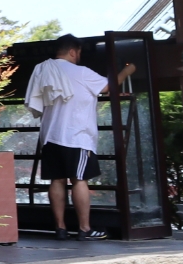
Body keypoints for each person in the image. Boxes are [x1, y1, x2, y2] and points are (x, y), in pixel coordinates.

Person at [25, 33, 137, 241]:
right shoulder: (81, 72)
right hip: (76, 137)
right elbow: (108, 87)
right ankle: (84, 228)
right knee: (79, 180)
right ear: (72, 51)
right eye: (79, 53)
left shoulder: (42, 69)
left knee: (56, 181)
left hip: (50, 136)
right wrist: (128, 70)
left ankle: (60, 228)